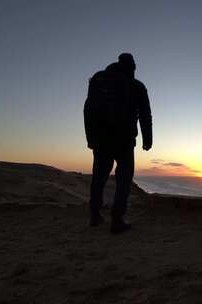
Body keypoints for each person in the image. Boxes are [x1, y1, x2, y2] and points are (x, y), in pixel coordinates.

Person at [84, 53, 152, 234]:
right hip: (124, 140)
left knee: (98, 179)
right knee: (124, 180)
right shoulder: (136, 86)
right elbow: (145, 116)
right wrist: (148, 138)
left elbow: (88, 110)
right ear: (132, 67)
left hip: (100, 140)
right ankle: (117, 219)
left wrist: (90, 138)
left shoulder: (98, 82)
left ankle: (94, 215)